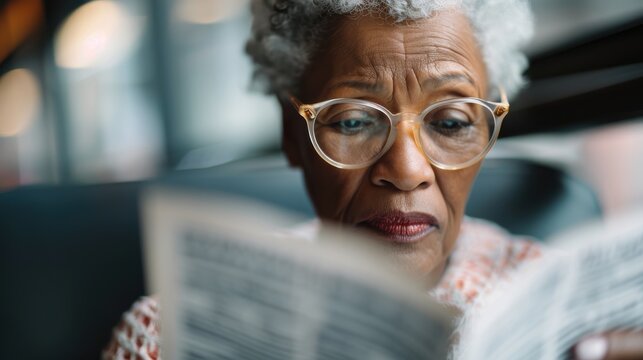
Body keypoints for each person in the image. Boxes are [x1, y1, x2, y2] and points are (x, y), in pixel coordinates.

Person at [102, 1, 639, 359]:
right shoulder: (170, 334)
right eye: (354, 121)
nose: (406, 170)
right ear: (293, 135)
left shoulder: (560, 312)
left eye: (451, 123)